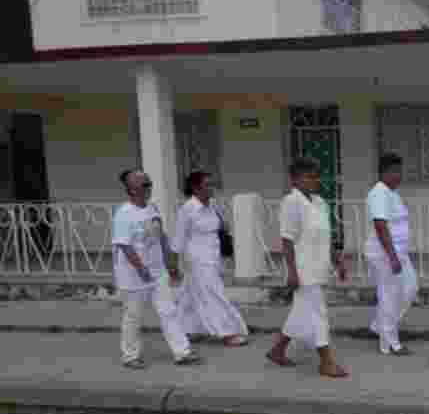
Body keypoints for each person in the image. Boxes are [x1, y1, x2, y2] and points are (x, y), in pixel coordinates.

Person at [265, 157, 350, 377]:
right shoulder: (291, 202)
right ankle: (326, 360)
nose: (314, 180)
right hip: (303, 270)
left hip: (319, 267)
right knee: (318, 314)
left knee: (301, 312)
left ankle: (278, 349)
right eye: (309, 176)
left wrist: (337, 261)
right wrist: (291, 271)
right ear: (294, 179)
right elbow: (287, 240)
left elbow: (326, 237)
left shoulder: (320, 202)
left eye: (316, 176)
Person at [112, 169, 200, 369]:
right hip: (133, 275)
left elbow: (161, 237)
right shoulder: (123, 214)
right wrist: (141, 269)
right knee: (133, 316)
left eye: (149, 183)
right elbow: (124, 245)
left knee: (168, 310)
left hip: (157, 270)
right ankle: (130, 355)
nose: (149, 188)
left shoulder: (152, 208)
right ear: (132, 189)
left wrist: (171, 264)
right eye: (145, 185)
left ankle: (182, 352)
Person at [170, 170, 249, 347]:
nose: (212, 188)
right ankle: (228, 332)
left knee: (190, 294)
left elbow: (220, 229)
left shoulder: (212, 206)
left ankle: (187, 329)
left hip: (214, 257)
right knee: (214, 294)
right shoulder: (188, 209)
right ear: (195, 188)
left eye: (212, 184)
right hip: (197, 260)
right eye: (208, 184)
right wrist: (173, 266)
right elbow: (178, 239)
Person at [366, 152, 418, 356]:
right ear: (384, 172)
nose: (399, 176)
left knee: (410, 288)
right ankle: (391, 344)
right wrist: (392, 256)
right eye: (395, 172)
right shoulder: (379, 193)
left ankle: (380, 325)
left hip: (398, 253)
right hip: (385, 254)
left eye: (400, 171)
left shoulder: (392, 193)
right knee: (389, 296)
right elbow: (380, 225)